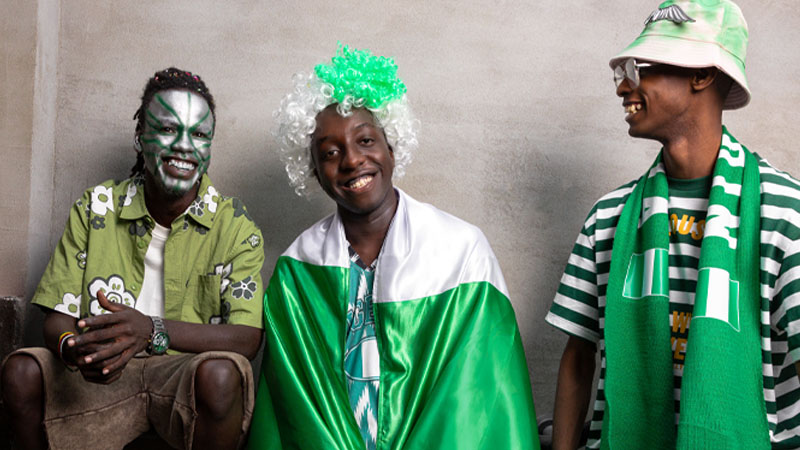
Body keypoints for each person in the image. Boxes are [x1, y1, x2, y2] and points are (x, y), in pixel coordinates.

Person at [247, 45, 539, 450]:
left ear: (391, 147)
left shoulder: (461, 252)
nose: (352, 160)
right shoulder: (298, 269)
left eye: (366, 140)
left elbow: (476, 392)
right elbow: (295, 407)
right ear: (313, 171)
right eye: (330, 153)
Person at [547, 1, 800, 448]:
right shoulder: (608, 218)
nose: (624, 87)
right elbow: (579, 355)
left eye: (639, 68)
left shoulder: (783, 212)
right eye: (622, 71)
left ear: (701, 75)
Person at [1, 68, 265, 450]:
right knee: (21, 370)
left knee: (222, 374)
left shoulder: (235, 226)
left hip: (182, 374)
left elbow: (246, 337)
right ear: (140, 137)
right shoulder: (96, 208)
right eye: (168, 129)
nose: (184, 146)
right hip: (104, 375)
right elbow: (56, 317)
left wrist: (150, 329)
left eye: (200, 134)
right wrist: (75, 349)